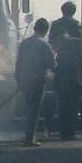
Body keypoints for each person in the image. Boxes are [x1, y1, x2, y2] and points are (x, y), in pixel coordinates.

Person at [15, 17, 55, 146]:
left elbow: (18, 62)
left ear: (34, 28)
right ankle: (29, 138)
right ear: (46, 30)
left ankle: (29, 136)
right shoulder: (44, 45)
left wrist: (18, 78)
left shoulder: (24, 43)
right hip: (37, 80)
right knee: (34, 109)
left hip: (24, 79)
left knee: (29, 108)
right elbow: (51, 64)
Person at [47, 0, 82, 141]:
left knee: (61, 100)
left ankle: (63, 131)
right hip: (74, 67)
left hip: (60, 66)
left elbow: (51, 43)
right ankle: (70, 131)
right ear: (73, 11)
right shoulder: (76, 24)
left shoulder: (55, 25)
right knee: (73, 101)